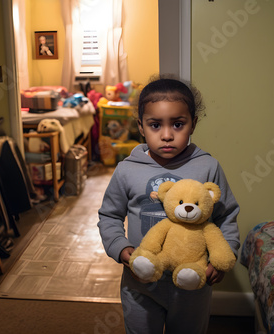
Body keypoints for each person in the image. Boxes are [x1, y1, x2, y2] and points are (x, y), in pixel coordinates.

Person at [97, 77, 240, 333]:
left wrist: (221, 258)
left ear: (193, 124)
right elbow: (109, 215)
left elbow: (226, 215)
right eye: (155, 125)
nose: (166, 135)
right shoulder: (127, 170)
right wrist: (120, 248)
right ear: (141, 126)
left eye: (177, 124)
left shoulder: (208, 167)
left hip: (192, 283)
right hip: (140, 282)